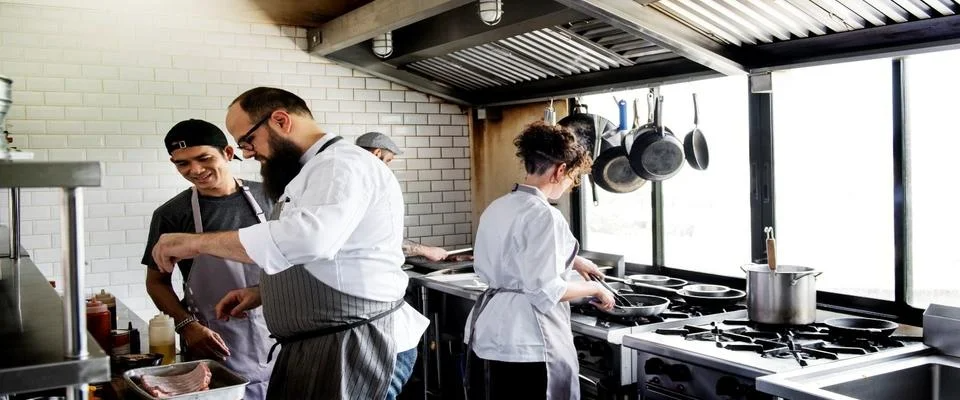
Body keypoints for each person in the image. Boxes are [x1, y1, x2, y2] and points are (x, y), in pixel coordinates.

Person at [150, 87, 428, 400]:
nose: (249, 153)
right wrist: (262, 292)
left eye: (248, 141)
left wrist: (195, 243)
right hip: (325, 344)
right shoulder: (311, 171)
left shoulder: (340, 165)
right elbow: (329, 259)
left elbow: (309, 239)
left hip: (356, 343)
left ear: (281, 121)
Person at [464, 121, 616, 400]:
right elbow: (546, 290)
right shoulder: (545, 215)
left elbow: (518, 256)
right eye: (572, 178)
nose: (570, 185)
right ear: (560, 170)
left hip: (491, 331)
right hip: (528, 339)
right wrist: (596, 289)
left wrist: (574, 261)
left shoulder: (500, 205)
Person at [142, 119, 275, 400]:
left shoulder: (272, 197)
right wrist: (187, 326)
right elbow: (156, 282)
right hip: (215, 340)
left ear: (227, 152)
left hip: (279, 331)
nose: (195, 171)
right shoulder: (171, 214)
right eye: (182, 164)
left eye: (204, 158)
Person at [356, 131, 454, 262]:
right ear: (377, 153)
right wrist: (426, 251)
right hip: (366, 269)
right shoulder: (368, 185)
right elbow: (381, 238)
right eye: (388, 161)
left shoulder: (354, 179)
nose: (387, 167)